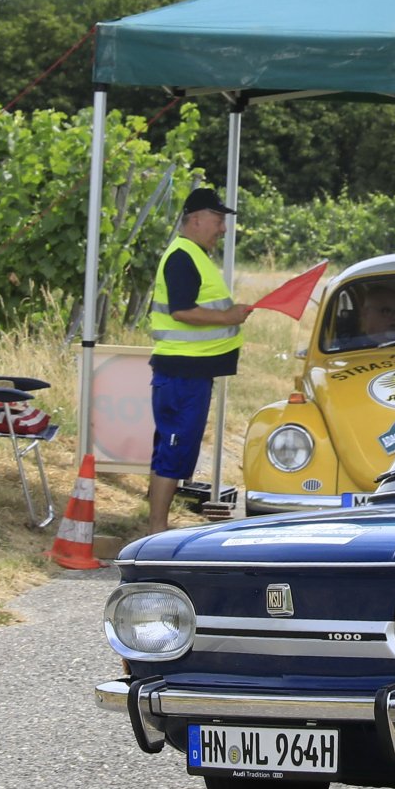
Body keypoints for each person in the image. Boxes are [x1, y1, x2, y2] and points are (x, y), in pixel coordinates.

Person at [148, 187, 252, 535]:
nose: (223, 228)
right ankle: (156, 529)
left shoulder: (192, 254)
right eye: (218, 219)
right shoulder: (183, 256)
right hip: (183, 371)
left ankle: (156, 526)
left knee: (172, 447)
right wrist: (228, 317)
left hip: (188, 370)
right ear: (195, 219)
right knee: (174, 448)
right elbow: (181, 311)